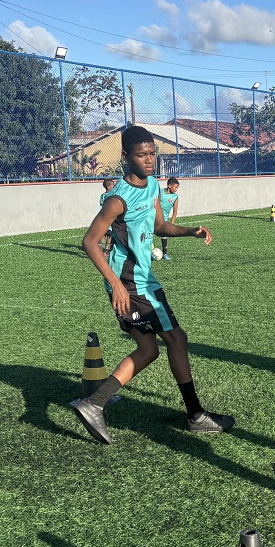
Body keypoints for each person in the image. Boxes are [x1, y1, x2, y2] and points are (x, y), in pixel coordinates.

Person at [70, 125, 234, 443]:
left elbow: (160, 226)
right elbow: (90, 241)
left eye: (152, 153)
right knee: (176, 339)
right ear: (126, 157)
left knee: (149, 349)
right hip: (131, 284)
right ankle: (196, 416)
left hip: (143, 279)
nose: (148, 160)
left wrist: (190, 231)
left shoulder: (153, 186)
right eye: (141, 154)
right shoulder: (118, 199)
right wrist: (116, 284)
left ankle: (94, 403)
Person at [156, 177, 180, 260]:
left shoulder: (175, 197)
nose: (176, 189)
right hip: (154, 216)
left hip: (164, 220)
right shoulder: (160, 192)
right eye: (175, 187)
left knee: (164, 235)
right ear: (169, 186)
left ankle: (165, 253)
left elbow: (175, 212)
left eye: (177, 188)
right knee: (149, 234)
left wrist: (172, 224)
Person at [99, 176, 118, 253]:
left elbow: (101, 206)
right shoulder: (112, 195)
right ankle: (106, 251)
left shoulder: (102, 195)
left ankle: (99, 248)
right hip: (111, 218)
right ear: (109, 186)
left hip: (103, 218)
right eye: (113, 185)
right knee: (109, 235)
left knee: (103, 234)